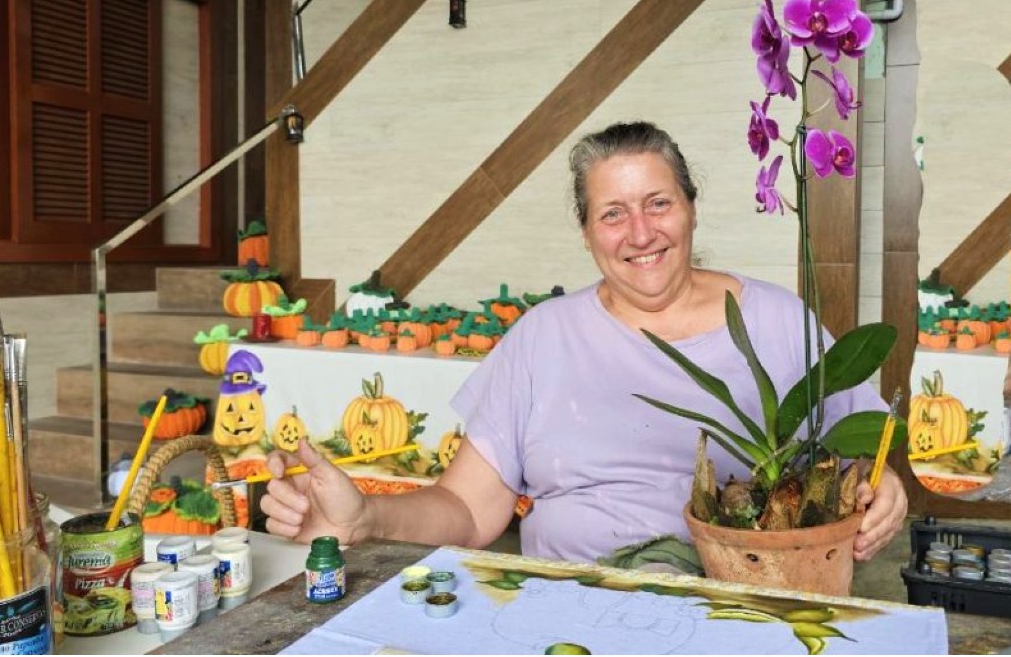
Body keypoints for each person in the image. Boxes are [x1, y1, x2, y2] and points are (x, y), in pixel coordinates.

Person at [261, 121, 908, 565]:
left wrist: (885, 494)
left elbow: (868, 453)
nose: (640, 232)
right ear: (587, 232)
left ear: (691, 208)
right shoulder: (543, 337)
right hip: (566, 612)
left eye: (658, 203)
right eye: (612, 213)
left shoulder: (777, 321)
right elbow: (466, 509)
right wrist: (365, 519)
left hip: (744, 601)